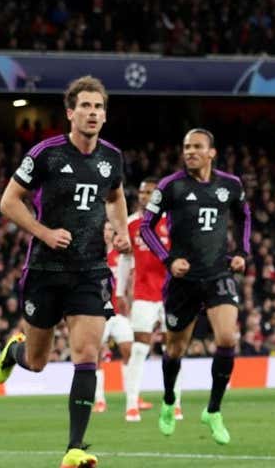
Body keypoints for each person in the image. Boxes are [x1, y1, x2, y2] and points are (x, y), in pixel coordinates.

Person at [0, 76, 131, 468]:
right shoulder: (46, 154)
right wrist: (44, 232)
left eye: (99, 107)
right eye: (85, 106)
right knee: (36, 362)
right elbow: (8, 201)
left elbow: (116, 196)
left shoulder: (112, 158)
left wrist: (120, 232)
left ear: (105, 115)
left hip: (90, 270)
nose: (92, 113)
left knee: (87, 353)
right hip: (45, 269)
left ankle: (74, 448)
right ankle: (12, 351)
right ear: (70, 113)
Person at [140, 128, 250, 445]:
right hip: (182, 280)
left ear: (211, 152)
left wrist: (241, 252)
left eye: (197, 146)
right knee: (175, 348)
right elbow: (147, 226)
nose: (190, 151)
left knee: (228, 338)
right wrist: (167, 259)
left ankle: (213, 410)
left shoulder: (230, 185)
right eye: (186, 146)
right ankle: (168, 399)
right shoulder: (170, 186)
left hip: (217, 273)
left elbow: (244, 215)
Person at [125, 178, 177, 422]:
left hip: (170, 295)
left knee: (173, 349)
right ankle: (131, 404)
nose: (144, 195)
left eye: (149, 192)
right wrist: (119, 293)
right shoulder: (131, 224)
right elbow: (123, 256)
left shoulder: (173, 222)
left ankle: (174, 402)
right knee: (139, 348)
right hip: (143, 295)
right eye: (142, 192)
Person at [93, 223, 135, 417]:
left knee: (129, 351)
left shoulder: (122, 255)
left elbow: (131, 278)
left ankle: (132, 397)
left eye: (111, 229)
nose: (107, 232)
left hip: (119, 312)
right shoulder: (93, 254)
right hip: (98, 312)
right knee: (96, 356)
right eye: (105, 229)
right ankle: (100, 400)